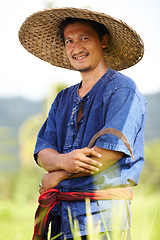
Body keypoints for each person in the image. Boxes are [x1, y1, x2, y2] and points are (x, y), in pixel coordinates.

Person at [19, 7, 147, 240]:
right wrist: (60, 160)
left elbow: (109, 152)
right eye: (69, 40)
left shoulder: (123, 90)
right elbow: (42, 152)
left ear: (104, 41)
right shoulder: (63, 98)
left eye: (84, 38)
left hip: (104, 218)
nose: (76, 47)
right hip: (61, 217)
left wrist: (59, 174)